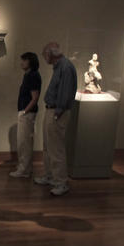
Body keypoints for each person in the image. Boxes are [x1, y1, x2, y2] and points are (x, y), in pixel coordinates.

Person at [34, 42, 77, 196]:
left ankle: (61, 182)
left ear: (50, 54)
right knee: (47, 146)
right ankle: (50, 176)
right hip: (52, 110)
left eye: (45, 54)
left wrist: (58, 113)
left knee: (56, 149)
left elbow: (65, 94)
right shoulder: (59, 67)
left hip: (57, 112)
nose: (44, 57)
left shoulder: (65, 67)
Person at [10, 52, 42, 178]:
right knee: (23, 142)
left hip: (27, 113)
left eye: (24, 60)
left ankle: (24, 170)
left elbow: (35, 98)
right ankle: (25, 168)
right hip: (26, 112)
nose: (21, 63)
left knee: (24, 143)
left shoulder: (33, 76)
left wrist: (24, 111)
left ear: (30, 62)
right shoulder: (28, 75)